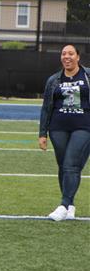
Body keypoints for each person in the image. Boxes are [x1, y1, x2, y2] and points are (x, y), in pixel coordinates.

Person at [39, 44, 90, 221]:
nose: (66, 57)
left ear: (78, 57)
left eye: (70, 54)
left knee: (71, 165)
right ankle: (70, 206)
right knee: (64, 167)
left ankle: (63, 205)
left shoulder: (87, 76)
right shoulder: (54, 80)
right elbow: (46, 108)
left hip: (84, 127)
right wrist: (42, 133)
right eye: (63, 54)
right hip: (58, 128)